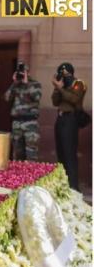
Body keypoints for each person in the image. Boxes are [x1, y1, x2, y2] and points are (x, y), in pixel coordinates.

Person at [51, 62, 87, 190]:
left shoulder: (78, 84)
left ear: (72, 73)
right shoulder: (62, 86)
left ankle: (73, 187)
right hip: (60, 120)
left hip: (70, 120)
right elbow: (55, 102)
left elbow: (74, 99)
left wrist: (61, 88)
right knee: (61, 153)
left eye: (67, 75)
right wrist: (57, 88)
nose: (65, 77)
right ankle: (63, 184)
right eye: (63, 75)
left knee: (69, 154)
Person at [4, 62, 42, 161]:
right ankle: (18, 175)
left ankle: (31, 174)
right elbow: (7, 98)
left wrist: (27, 84)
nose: (22, 74)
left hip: (30, 122)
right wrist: (14, 83)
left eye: (24, 72)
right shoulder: (16, 85)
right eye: (20, 72)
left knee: (31, 152)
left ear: (28, 72)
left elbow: (37, 97)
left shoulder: (35, 84)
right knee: (17, 152)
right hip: (17, 122)